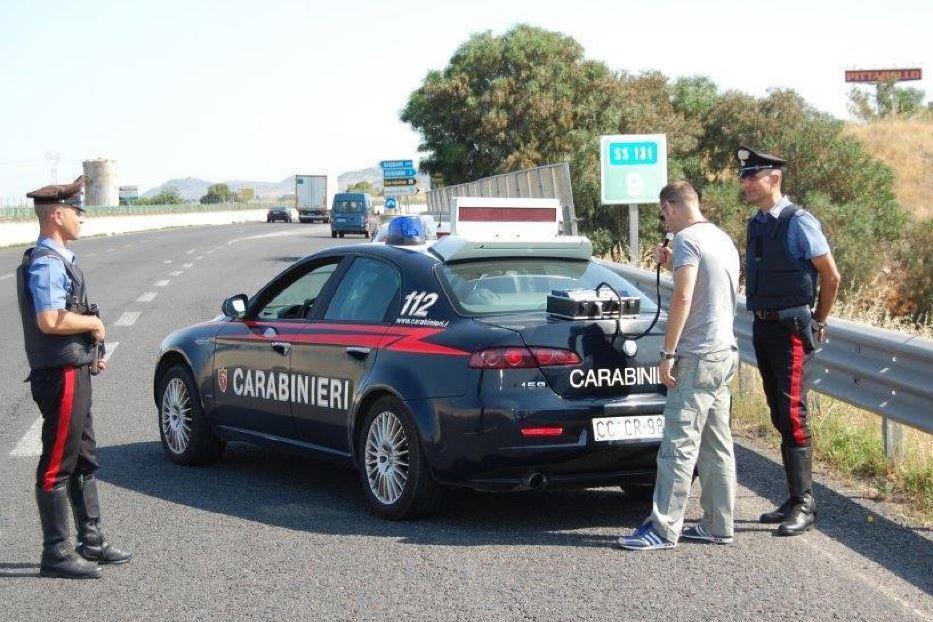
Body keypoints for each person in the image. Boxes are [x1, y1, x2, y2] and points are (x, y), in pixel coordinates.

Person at [16, 176, 131, 579]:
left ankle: (91, 540)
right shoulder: (47, 262)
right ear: (58, 214)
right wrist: (94, 326)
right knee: (57, 464)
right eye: (76, 211)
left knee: (84, 456)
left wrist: (89, 350)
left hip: (73, 368)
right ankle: (55, 552)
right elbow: (49, 320)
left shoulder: (60, 259)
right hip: (60, 374)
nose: (81, 217)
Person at [617, 181, 740, 551]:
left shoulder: (687, 240)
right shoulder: (721, 238)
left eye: (662, 213)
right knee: (716, 443)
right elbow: (709, 286)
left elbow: (683, 297)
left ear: (670, 208)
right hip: (725, 352)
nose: (663, 220)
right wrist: (673, 264)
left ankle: (664, 527)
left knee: (678, 444)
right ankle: (719, 524)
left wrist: (668, 352)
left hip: (697, 354)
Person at [737, 145, 841, 536]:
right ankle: (793, 496)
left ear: (774, 178)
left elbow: (830, 277)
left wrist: (818, 321)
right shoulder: (757, 222)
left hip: (791, 329)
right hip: (763, 326)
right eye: (744, 177)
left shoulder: (799, 222)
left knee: (794, 415)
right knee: (779, 414)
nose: (745, 183)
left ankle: (805, 504)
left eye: (752, 176)